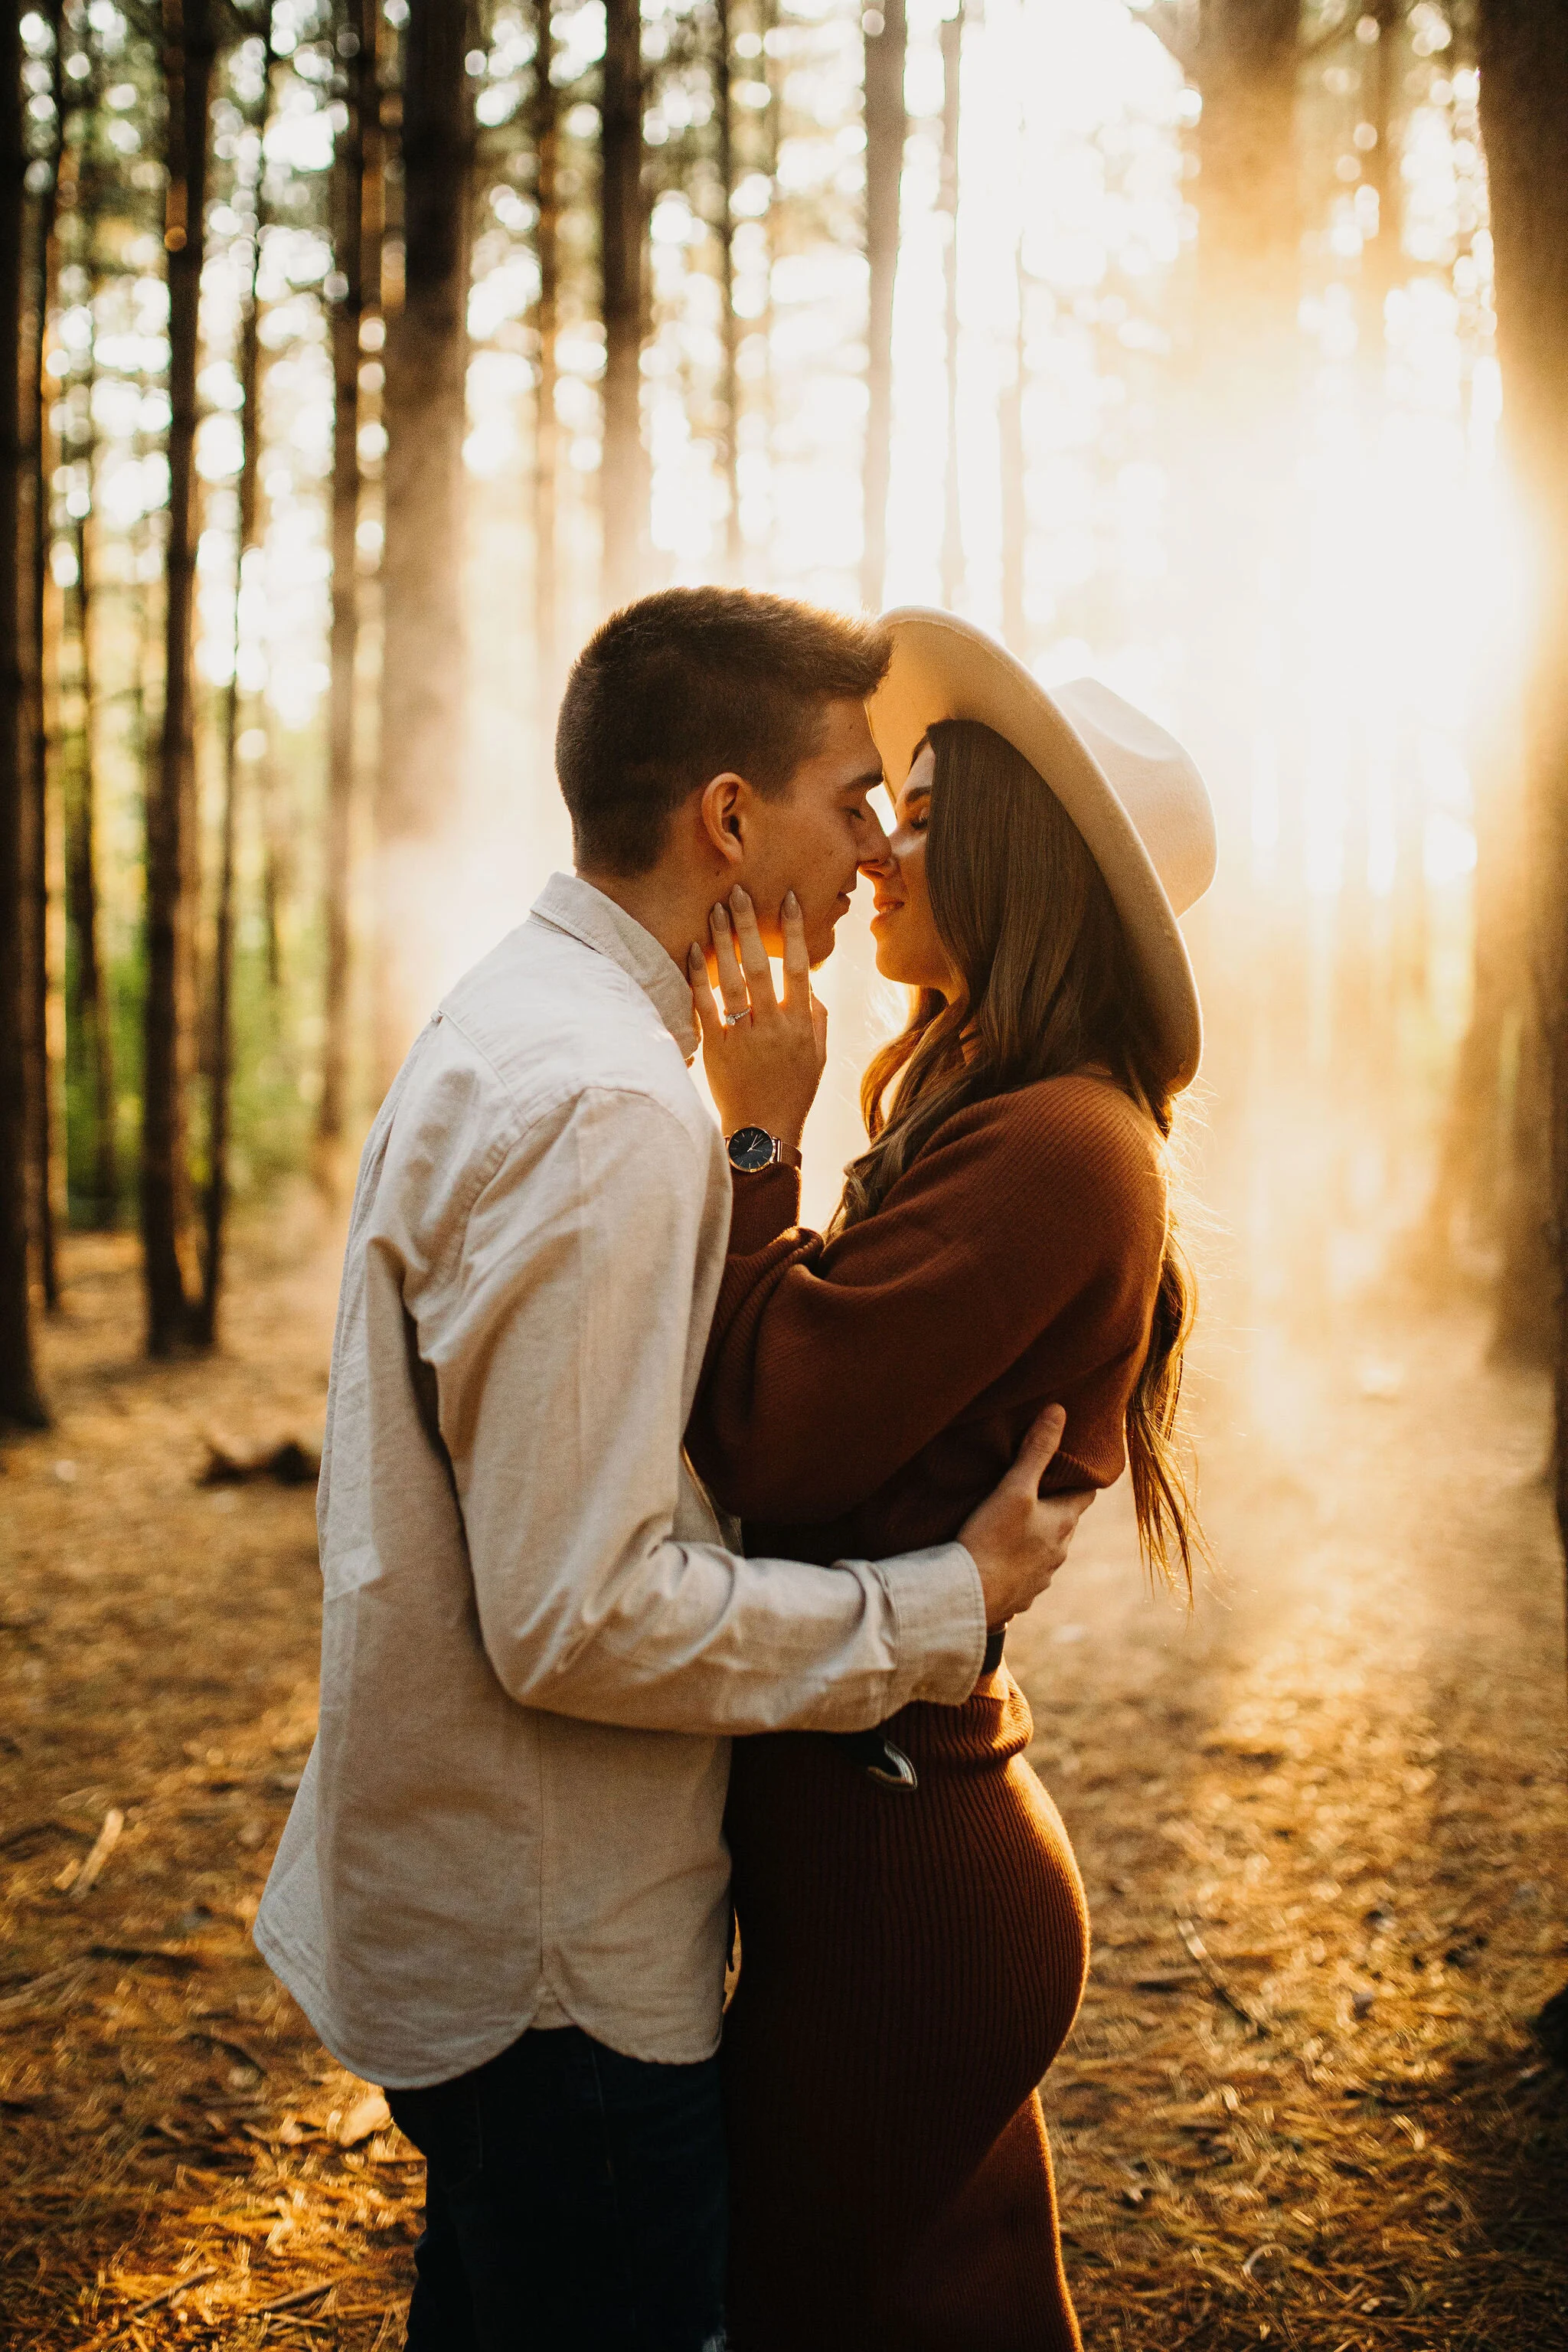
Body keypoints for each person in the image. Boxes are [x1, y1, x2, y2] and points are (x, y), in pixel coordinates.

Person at [253, 589, 1095, 2352]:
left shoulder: (524, 1015)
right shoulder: (614, 1108)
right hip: (559, 1966)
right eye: (851, 797)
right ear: (729, 818)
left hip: (492, 1913)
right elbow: (578, 1619)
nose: (872, 849)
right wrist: (939, 1609)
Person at [684, 606, 1217, 2352]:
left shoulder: (1061, 1143)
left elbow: (768, 1436)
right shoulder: (1002, 1109)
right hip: (891, 1851)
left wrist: (757, 1135)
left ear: (1022, 859)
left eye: (923, 809)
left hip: (903, 1877)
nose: (878, 845)